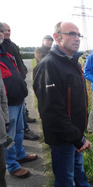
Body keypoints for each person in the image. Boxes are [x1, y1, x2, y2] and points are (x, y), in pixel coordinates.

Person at [33, 21, 91, 187]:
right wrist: (77, 138)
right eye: (71, 34)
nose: (77, 38)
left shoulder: (72, 62)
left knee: (77, 169)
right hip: (63, 137)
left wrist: (79, 134)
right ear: (57, 37)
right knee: (65, 179)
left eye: (78, 34)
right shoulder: (48, 66)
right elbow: (52, 112)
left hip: (75, 132)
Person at [0, 22, 38, 178]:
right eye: (1, 31)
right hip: (7, 104)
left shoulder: (5, 52)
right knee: (8, 136)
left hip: (19, 99)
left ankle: (20, 155)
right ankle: (12, 165)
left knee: (20, 131)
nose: (2, 33)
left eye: (3, 31)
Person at [0, 26, 9, 187]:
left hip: (1, 123)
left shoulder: (5, 52)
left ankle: (14, 163)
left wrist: (6, 119)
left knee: (1, 168)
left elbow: (2, 96)